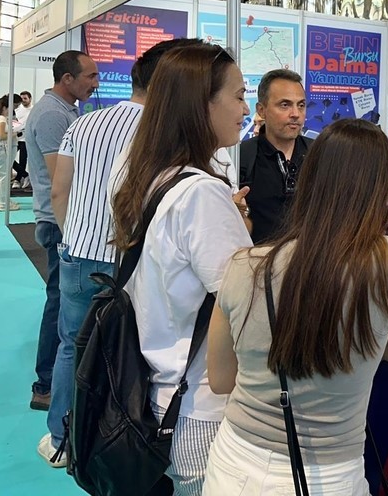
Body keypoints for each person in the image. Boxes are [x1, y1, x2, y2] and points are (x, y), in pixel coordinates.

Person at [204, 118, 388, 495]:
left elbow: (220, 380)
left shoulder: (243, 265)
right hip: (327, 475)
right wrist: (370, 343)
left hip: (234, 465)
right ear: (381, 190)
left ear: (309, 178)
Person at [37, 39, 199, 467]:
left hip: (77, 251)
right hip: (128, 260)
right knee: (125, 353)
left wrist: (73, 235)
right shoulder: (162, 132)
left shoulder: (83, 124)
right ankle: (114, 440)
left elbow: (60, 189)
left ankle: (61, 438)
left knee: (71, 345)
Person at [111, 43, 252, 495]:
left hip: (151, 387)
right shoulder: (201, 194)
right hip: (197, 406)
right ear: (201, 104)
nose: (245, 108)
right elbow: (245, 305)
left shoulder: (141, 173)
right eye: (237, 95)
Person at [25, 50, 100, 412]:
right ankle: (45, 385)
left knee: (61, 303)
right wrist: (73, 229)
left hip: (61, 220)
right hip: (58, 222)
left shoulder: (66, 110)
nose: (96, 83)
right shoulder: (54, 114)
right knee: (59, 305)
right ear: (67, 79)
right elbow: (61, 180)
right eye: (90, 76)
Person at [239, 69, 309, 245]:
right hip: (257, 265)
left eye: (301, 105)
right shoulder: (241, 157)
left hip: (310, 266)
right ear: (261, 110)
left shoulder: (321, 154)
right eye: (285, 105)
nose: (295, 114)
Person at [14, 90, 33, 190]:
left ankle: (18, 179)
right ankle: (25, 175)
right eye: (22, 99)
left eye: (25, 99)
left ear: (30, 99)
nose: (23, 101)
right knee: (9, 158)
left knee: (23, 159)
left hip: (27, 138)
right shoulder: (17, 109)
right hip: (16, 136)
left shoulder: (34, 110)